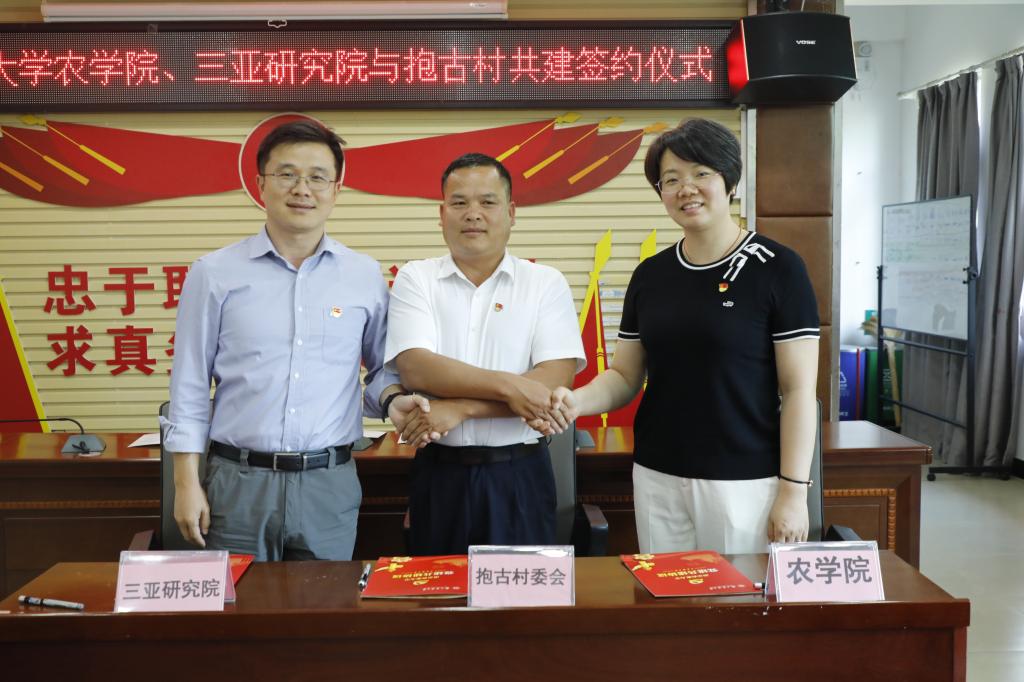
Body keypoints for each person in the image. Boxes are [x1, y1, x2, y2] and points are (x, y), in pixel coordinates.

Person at [162, 120, 427, 561]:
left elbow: (383, 370)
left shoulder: (363, 275)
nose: (302, 189)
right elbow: (188, 384)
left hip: (328, 482)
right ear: (261, 184)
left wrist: (394, 400)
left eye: (317, 177)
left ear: (336, 190)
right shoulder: (214, 273)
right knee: (240, 604)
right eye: (287, 174)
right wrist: (186, 483)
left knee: (324, 603)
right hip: (237, 483)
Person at [552, 118, 819, 554]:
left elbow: (798, 391)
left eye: (700, 173)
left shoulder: (778, 268)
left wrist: (793, 491)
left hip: (744, 481)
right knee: (664, 593)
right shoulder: (650, 275)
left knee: (738, 594)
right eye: (671, 179)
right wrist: (576, 402)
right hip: (657, 474)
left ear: (730, 182)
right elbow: (624, 376)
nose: (685, 189)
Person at [385, 152, 585, 555]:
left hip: (520, 476)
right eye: (459, 202)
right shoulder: (417, 278)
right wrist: (512, 387)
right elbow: (416, 367)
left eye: (487, 202)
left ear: (510, 213)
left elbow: (552, 382)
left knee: (521, 592)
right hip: (440, 474)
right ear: (442, 214)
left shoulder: (545, 283)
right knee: (438, 590)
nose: (472, 213)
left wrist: (462, 408)